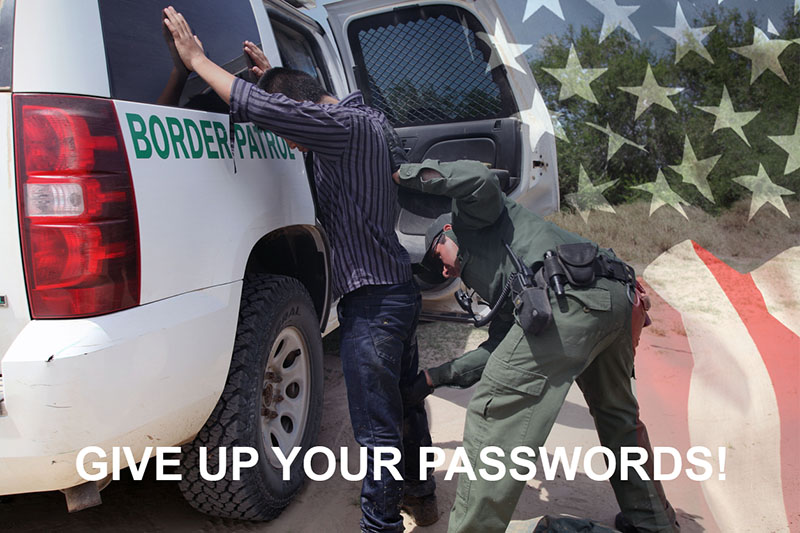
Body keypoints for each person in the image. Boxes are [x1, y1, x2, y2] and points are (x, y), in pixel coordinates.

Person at [162, 7, 436, 532]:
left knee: (375, 430)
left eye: (293, 130)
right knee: (405, 403)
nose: (291, 145)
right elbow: (293, 106)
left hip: (373, 305)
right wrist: (273, 80)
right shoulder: (367, 119)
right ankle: (422, 497)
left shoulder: (341, 128)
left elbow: (261, 108)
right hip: (396, 291)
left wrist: (196, 60)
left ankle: (380, 525)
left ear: (305, 111)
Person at [393, 159, 679, 533]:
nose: (444, 272)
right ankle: (654, 523)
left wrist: (403, 172)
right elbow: (498, 349)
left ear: (446, 233)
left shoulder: (471, 218)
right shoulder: (500, 280)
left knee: (495, 408)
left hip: (570, 299)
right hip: (615, 299)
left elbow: (478, 179)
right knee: (617, 418)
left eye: (437, 258)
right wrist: (432, 379)